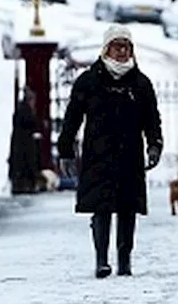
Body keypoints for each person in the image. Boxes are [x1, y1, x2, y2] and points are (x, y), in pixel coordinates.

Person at [56, 25, 163, 278]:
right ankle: (101, 259)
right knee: (101, 206)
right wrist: (66, 150)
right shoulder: (89, 81)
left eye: (126, 47)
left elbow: (151, 119)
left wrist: (155, 144)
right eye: (117, 46)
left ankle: (124, 260)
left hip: (130, 153)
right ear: (106, 49)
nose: (122, 52)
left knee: (128, 207)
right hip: (98, 152)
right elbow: (72, 118)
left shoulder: (140, 83)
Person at [8, 86, 41, 194]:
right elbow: (30, 123)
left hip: (20, 142)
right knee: (26, 163)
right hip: (24, 143)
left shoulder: (21, 109)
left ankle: (20, 184)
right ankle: (26, 185)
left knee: (21, 164)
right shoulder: (25, 111)